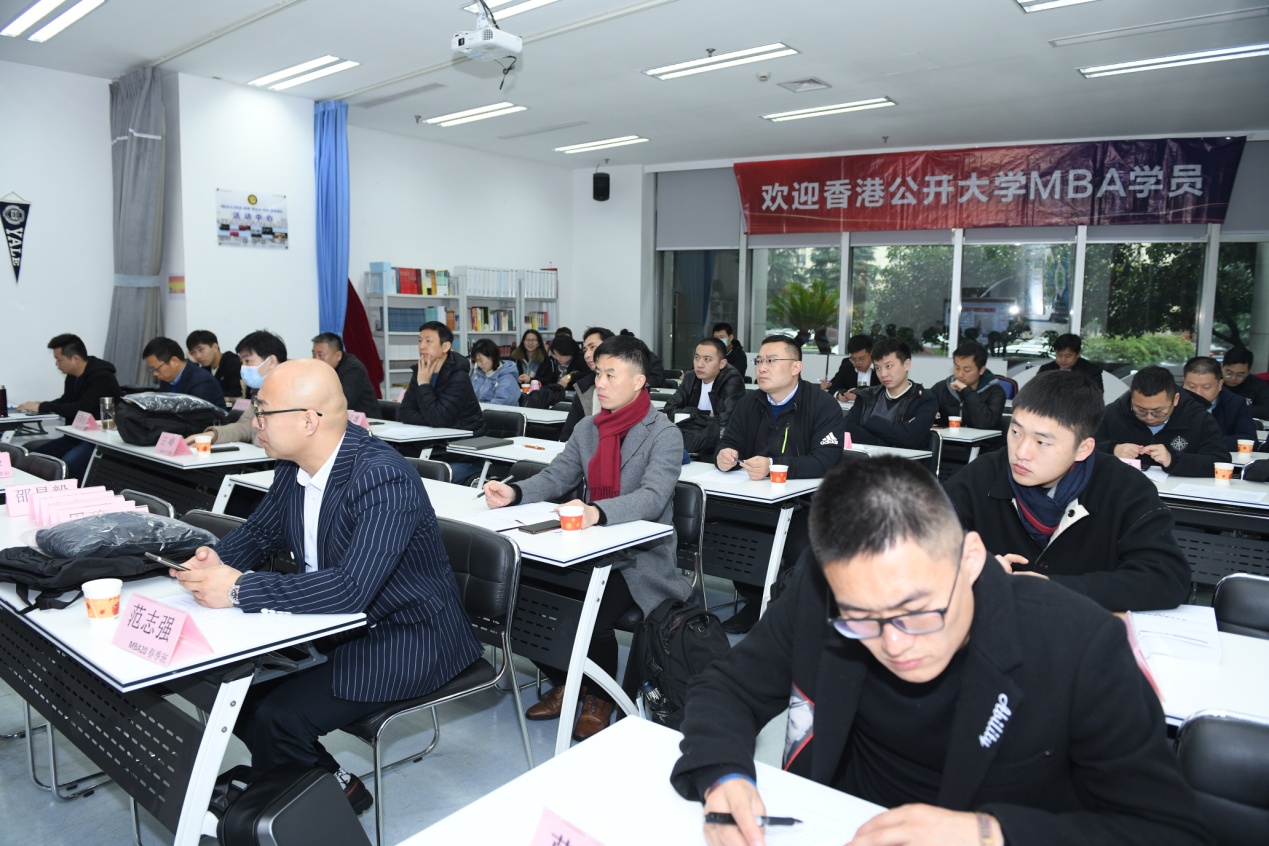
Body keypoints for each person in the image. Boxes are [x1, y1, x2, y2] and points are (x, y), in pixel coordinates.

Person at [671, 456, 1211, 846]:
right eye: (862, 620)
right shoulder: (826, 592)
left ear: (971, 559)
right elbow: (728, 686)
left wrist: (989, 832)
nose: (894, 644)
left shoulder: (1077, 643)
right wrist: (725, 776)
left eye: (916, 611)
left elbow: (1168, 830)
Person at [173, 359, 480, 815]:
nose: (255, 423)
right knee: (232, 690)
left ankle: (305, 809)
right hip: (332, 621)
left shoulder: (382, 476)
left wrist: (238, 589)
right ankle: (324, 785)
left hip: (408, 635)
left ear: (308, 421)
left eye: (264, 412)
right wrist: (213, 563)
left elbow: (351, 589)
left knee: (278, 715)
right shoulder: (293, 466)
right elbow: (260, 533)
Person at [482, 335, 690, 740]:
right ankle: (568, 679)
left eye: (612, 375)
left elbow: (652, 498)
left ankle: (600, 696)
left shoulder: (664, 433)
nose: (601, 383)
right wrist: (515, 493)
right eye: (598, 373)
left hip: (639, 558)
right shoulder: (588, 428)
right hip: (587, 547)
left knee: (588, 615)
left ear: (639, 381)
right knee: (523, 601)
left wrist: (598, 512)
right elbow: (558, 476)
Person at [944, 370, 1190, 611]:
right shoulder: (982, 475)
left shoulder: (1124, 487)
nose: (1021, 452)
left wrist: (1053, 589)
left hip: (1086, 631)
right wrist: (973, 568)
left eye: (1042, 442)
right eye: (1016, 432)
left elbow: (1166, 578)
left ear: (1083, 448)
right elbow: (925, 545)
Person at [714, 334, 845, 634]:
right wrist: (724, 454)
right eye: (759, 360)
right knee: (729, 535)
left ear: (796, 367)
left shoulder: (822, 405)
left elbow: (826, 459)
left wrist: (773, 466)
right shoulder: (750, 402)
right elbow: (728, 440)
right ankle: (755, 601)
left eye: (772, 361)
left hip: (806, 505)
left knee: (799, 545)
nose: (762, 367)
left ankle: (791, 612)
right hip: (755, 500)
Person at [17, 333, 121, 481]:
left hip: (96, 441)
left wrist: (43, 406)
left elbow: (82, 407)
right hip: (75, 436)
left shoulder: (102, 377)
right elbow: (66, 401)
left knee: (67, 465)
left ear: (75, 359)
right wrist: (39, 406)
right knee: (34, 458)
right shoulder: (72, 376)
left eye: (59, 360)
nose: (57, 364)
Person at [1095, 365, 1226, 477]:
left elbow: (1220, 462)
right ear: (1132, 398)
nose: (1149, 417)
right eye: (1140, 410)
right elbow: (1086, 447)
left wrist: (1173, 460)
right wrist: (1113, 450)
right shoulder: (1113, 413)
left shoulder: (1199, 418)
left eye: (1158, 411)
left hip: (1178, 494)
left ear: (1175, 400)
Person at [400, 321, 486, 482]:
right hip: (431, 447)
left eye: (428, 341)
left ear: (445, 346)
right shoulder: (420, 370)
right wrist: (431, 419)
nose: (422, 346)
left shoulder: (458, 377)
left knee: (427, 482)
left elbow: (438, 418)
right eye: (420, 341)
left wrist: (424, 384)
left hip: (461, 453)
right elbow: (404, 413)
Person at [188, 329, 288, 447]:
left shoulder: (293, 393)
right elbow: (244, 426)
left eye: (247, 361)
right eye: (242, 362)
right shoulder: (258, 392)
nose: (243, 368)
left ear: (271, 362)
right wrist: (211, 435)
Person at [843, 337, 939, 450]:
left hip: (904, 461)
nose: (883, 374)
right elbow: (847, 429)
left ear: (906, 364)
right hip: (865, 459)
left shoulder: (924, 400)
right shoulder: (866, 396)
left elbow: (911, 438)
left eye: (889, 366)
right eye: (878, 368)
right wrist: (889, 442)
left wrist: (870, 422)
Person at [663, 337, 745, 456]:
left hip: (719, 448)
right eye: (697, 358)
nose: (699, 364)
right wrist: (703, 414)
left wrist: (689, 416)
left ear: (722, 363)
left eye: (707, 359)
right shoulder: (691, 377)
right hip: (691, 441)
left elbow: (724, 423)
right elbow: (669, 410)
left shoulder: (732, 379)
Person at [1181, 356, 1256, 451]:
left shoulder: (1235, 403)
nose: (1198, 393)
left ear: (1220, 385)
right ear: (1184, 382)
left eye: (1206, 387)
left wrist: (1207, 441)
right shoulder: (1172, 400)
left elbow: (1249, 440)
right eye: (1192, 386)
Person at [931, 342, 1006, 430]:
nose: (960, 374)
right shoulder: (941, 388)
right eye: (957, 368)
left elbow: (985, 423)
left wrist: (966, 391)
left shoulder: (995, 392)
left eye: (967, 370)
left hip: (981, 439)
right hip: (948, 438)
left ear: (981, 370)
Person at [560, 327, 615, 440]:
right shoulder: (584, 388)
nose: (587, 355)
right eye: (585, 350)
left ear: (611, 348)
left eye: (593, 347)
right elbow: (568, 434)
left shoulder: (629, 386)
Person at [141, 336, 225, 407]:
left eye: (156, 369)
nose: (155, 373)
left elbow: (195, 418)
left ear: (174, 361)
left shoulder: (202, 382)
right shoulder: (166, 380)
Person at [311, 332, 379, 418]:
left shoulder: (353, 369)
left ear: (338, 356)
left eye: (320, 355)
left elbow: (342, 403)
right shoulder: (322, 369)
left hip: (366, 421)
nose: (316, 359)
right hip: (338, 419)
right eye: (314, 354)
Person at [187, 330, 243, 398]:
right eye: (193, 353)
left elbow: (237, 393)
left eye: (201, 350)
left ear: (215, 347)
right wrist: (193, 363)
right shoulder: (205, 369)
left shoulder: (233, 363)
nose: (198, 356)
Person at [822, 334, 881, 399]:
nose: (857, 363)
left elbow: (884, 392)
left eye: (861, 359)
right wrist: (838, 395)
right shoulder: (847, 365)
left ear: (871, 354)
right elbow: (833, 385)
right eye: (853, 359)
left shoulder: (881, 367)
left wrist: (861, 396)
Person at [469, 337, 521, 406]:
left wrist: (475, 408)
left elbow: (500, 405)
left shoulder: (507, 378)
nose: (478, 364)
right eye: (476, 361)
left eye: (481, 361)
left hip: (497, 412)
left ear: (492, 356)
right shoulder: (477, 375)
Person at [1221, 347, 1269, 417]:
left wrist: (1236, 409)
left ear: (1248, 371)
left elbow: (1267, 409)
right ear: (1222, 366)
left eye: (1240, 375)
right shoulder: (1213, 381)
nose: (1233, 378)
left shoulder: (1258, 384)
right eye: (1229, 373)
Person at [1038, 333, 1102, 382]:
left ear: (1078, 354)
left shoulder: (1092, 372)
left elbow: (1096, 394)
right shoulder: (1045, 370)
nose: (1063, 359)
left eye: (1068, 356)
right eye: (1059, 355)